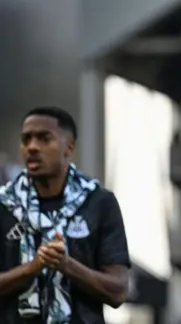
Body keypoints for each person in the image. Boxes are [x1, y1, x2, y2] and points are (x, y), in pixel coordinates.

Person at [0, 106, 130, 324]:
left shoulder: (99, 203)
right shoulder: (4, 204)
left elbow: (118, 292)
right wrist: (32, 268)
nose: (32, 147)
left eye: (44, 139)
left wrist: (67, 265)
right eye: (26, 139)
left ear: (69, 147)